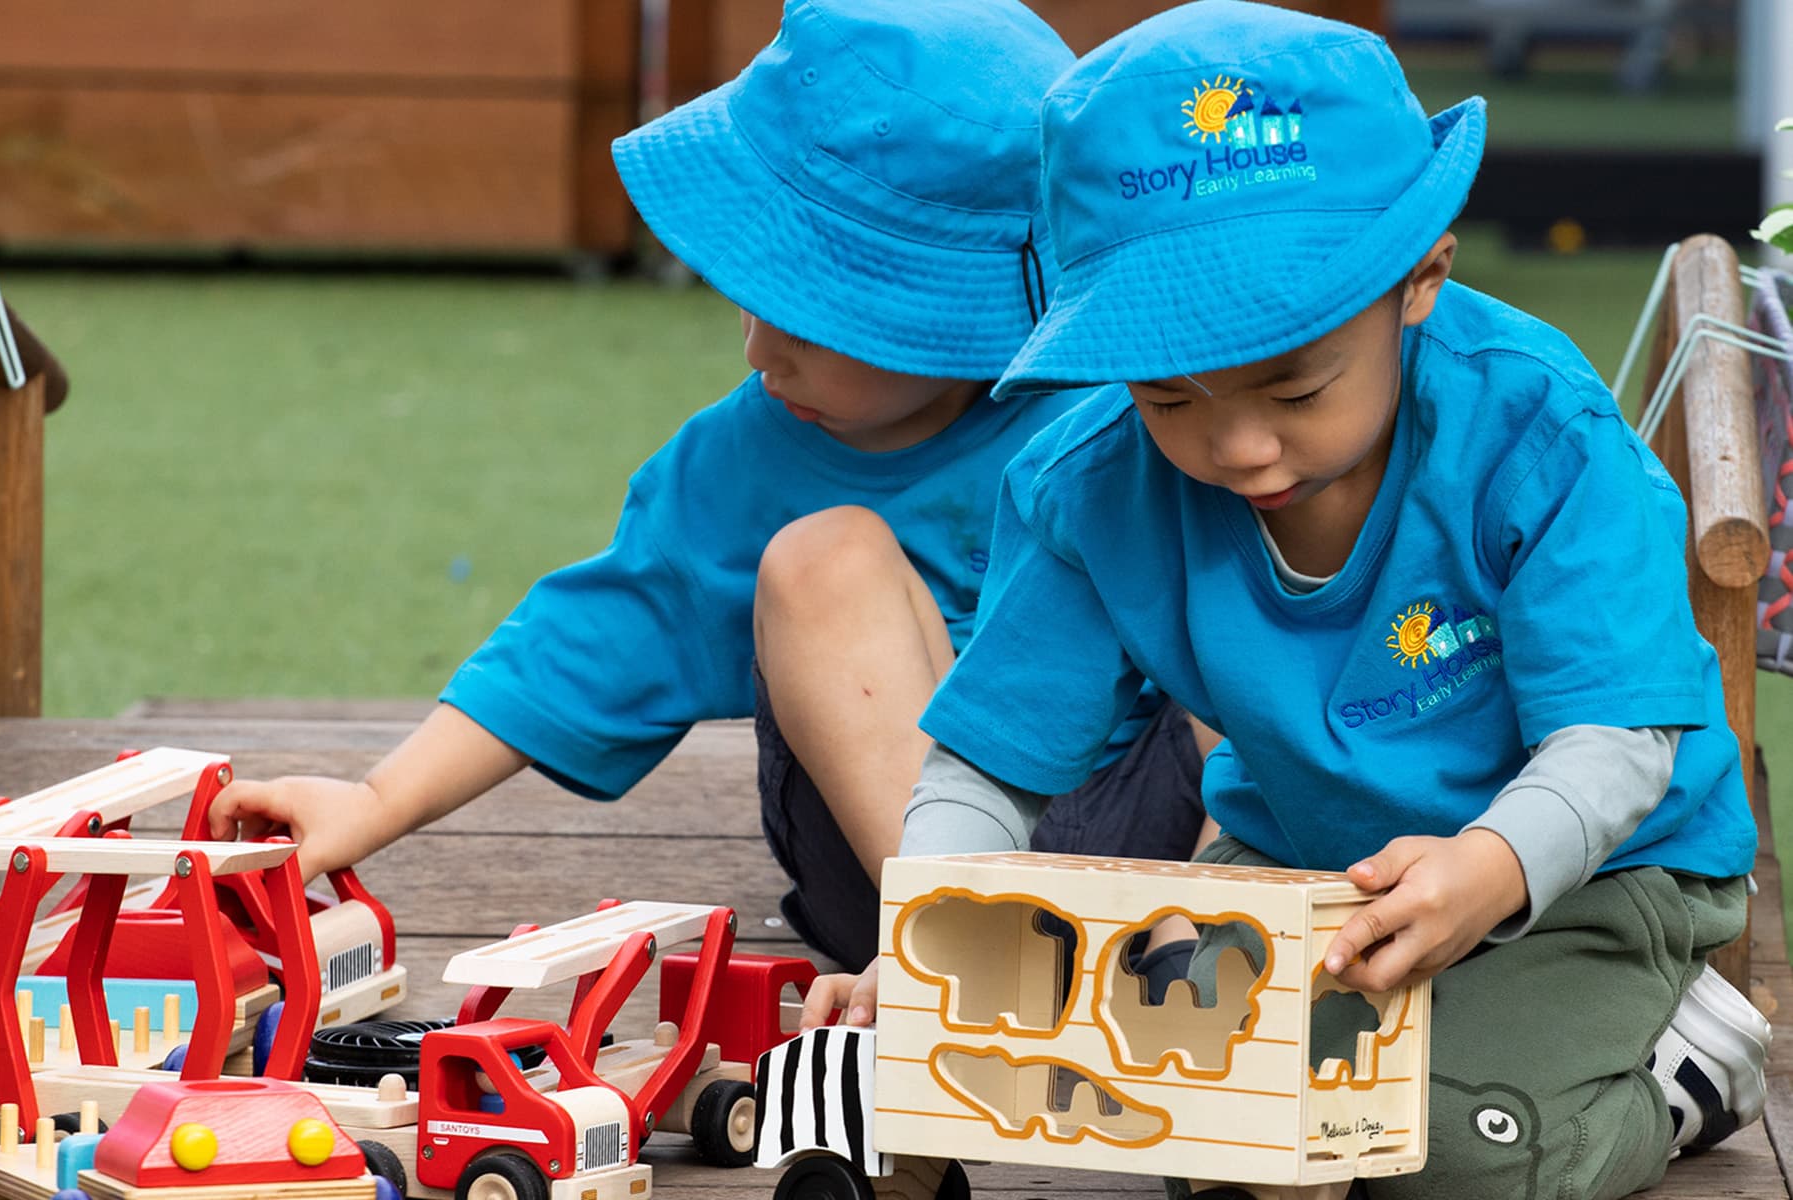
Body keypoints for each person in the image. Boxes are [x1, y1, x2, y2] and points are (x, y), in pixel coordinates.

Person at [802, 4, 1769, 1195]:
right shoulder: (1091, 488)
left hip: (1590, 867)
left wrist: (1494, 868)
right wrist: (927, 934)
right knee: (1211, 1126)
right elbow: (988, 765)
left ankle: (1683, 1076)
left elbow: (1620, 741)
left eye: (1296, 386)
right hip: (1300, 861)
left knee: (1454, 1158)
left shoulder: (1534, 430)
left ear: (1421, 279)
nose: (1241, 446)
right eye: (1170, 399)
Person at [208, 0, 1211, 975]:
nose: (763, 349)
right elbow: (592, 634)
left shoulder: (1126, 401)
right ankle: (974, 957)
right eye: (750, 299)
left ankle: (1231, 925)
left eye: (813, 318)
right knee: (823, 557)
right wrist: (376, 801)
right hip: (893, 867)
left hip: (1143, 833)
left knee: (1226, 551)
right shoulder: (746, 456)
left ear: (974, 306)